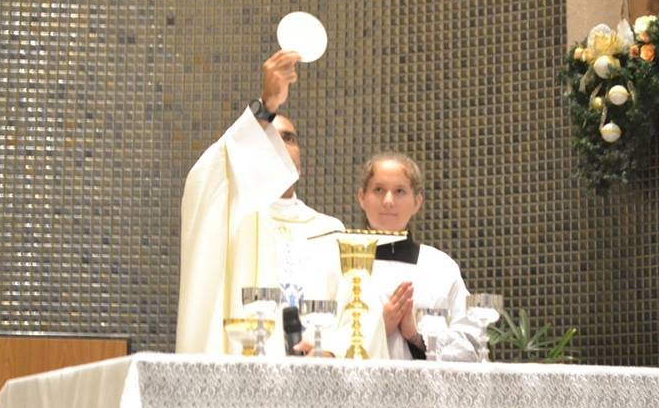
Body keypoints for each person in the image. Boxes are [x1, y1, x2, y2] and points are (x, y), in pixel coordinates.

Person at [176, 50, 351, 355]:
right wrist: (265, 106)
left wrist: (331, 348)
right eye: (268, 135)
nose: (278, 145)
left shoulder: (331, 231)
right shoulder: (233, 217)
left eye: (288, 138)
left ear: (301, 160)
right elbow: (203, 180)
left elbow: (352, 313)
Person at [357, 152, 478, 360]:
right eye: (378, 190)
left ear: (417, 202)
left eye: (400, 191)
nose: (388, 201)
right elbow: (316, 338)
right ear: (362, 198)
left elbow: (471, 347)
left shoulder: (440, 267)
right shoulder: (338, 263)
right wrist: (379, 328)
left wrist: (416, 336)